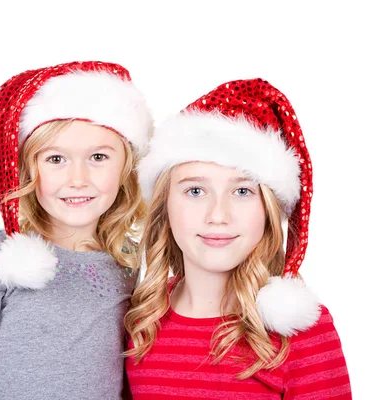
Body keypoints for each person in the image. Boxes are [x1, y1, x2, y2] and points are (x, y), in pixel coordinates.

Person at [124, 78, 352, 399]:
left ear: (268, 212)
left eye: (242, 191)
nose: (218, 215)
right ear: (165, 207)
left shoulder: (300, 331)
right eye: (195, 191)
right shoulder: (140, 320)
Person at [0, 61, 152, 399]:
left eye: (98, 157)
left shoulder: (125, 262)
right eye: (56, 159)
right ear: (28, 169)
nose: (78, 179)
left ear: (126, 167)